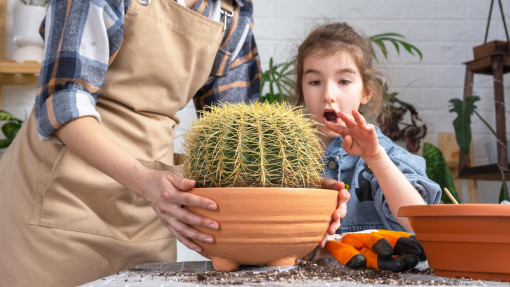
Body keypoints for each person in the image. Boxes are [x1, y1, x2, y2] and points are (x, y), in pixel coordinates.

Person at [0, 1, 349, 285]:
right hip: (59, 197)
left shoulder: (232, 11)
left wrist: (307, 195)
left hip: (150, 209)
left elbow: (240, 142)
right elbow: (62, 99)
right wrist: (147, 184)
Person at [295, 22, 441, 234]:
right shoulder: (283, 156)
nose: (328, 94)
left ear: (366, 92)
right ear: (302, 89)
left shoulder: (385, 154)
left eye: (343, 81)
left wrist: (375, 158)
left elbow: (417, 223)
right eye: (315, 81)